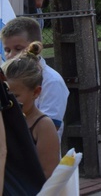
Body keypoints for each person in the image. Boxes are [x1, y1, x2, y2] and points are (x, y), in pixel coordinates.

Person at [1, 17, 68, 139]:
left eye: (18, 48)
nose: (10, 55)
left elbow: (51, 127)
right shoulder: (4, 76)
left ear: (35, 46)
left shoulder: (52, 81)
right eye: (7, 50)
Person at [2, 41, 59, 179]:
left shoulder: (43, 126)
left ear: (36, 92)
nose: (8, 101)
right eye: (3, 94)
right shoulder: (3, 117)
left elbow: (48, 175)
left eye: (15, 96)